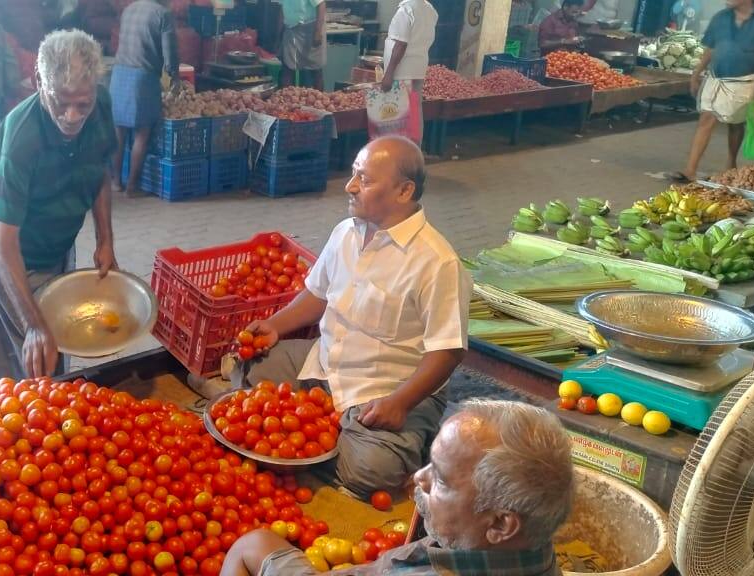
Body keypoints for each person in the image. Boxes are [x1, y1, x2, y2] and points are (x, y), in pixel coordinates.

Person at [233, 136, 471, 498]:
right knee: (252, 369)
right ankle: (337, 437)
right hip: (328, 361)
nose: (350, 186)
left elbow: (448, 351)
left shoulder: (437, 262)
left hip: (387, 388)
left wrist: (401, 403)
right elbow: (317, 294)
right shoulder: (345, 232)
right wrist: (276, 326)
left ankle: (380, 441)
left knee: (373, 472)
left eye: (365, 179)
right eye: (353, 174)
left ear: (404, 192)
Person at [221, 399, 574, 576]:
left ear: (500, 524)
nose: (419, 478)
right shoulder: (531, 551)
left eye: (441, 479)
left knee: (253, 544)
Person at [0, 29, 119, 396]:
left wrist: (105, 239)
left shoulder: (101, 106)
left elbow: (100, 170)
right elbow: (3, 246)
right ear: (38, 82)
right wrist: (33, 326)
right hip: (7, 236)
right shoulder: (23, 136)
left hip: (56, 227)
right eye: (60, 102)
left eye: (83, 105)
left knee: (55, 327)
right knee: (19, 337)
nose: (72, 116)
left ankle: (49, 398)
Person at [672, 0, 754, 182]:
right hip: (715, 77)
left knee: (735, 122)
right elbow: (710, 48)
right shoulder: (720, 18)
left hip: (745, 80)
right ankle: (690, 170)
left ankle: (731, 163)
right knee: (707, 117)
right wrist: (696, 73)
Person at [111, 0, 179, 196]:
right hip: (143, 77)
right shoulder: (162, 14)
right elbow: (170, 53)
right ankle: (132, 186)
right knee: (142, 132)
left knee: (119, 131)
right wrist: (174, 77)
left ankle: (116, 181)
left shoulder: (129, 9)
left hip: (119, 73)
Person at [379, 0, 438, 143]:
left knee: (398, 115)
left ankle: (399, 152)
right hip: (417, 68)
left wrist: (388, 74)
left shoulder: (406, 10)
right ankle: (414, 150)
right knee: (415, 112)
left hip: (402, 72)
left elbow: (401, 44)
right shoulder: (430, 10)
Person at [279, 0, 327, 89]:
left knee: (315, 70)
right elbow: (282, 9)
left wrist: (318, 32)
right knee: (287, 67)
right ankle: (285, 99)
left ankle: (320, 99)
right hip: (290, 29)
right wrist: (279, 33)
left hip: (310, 29)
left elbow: (321, 5)